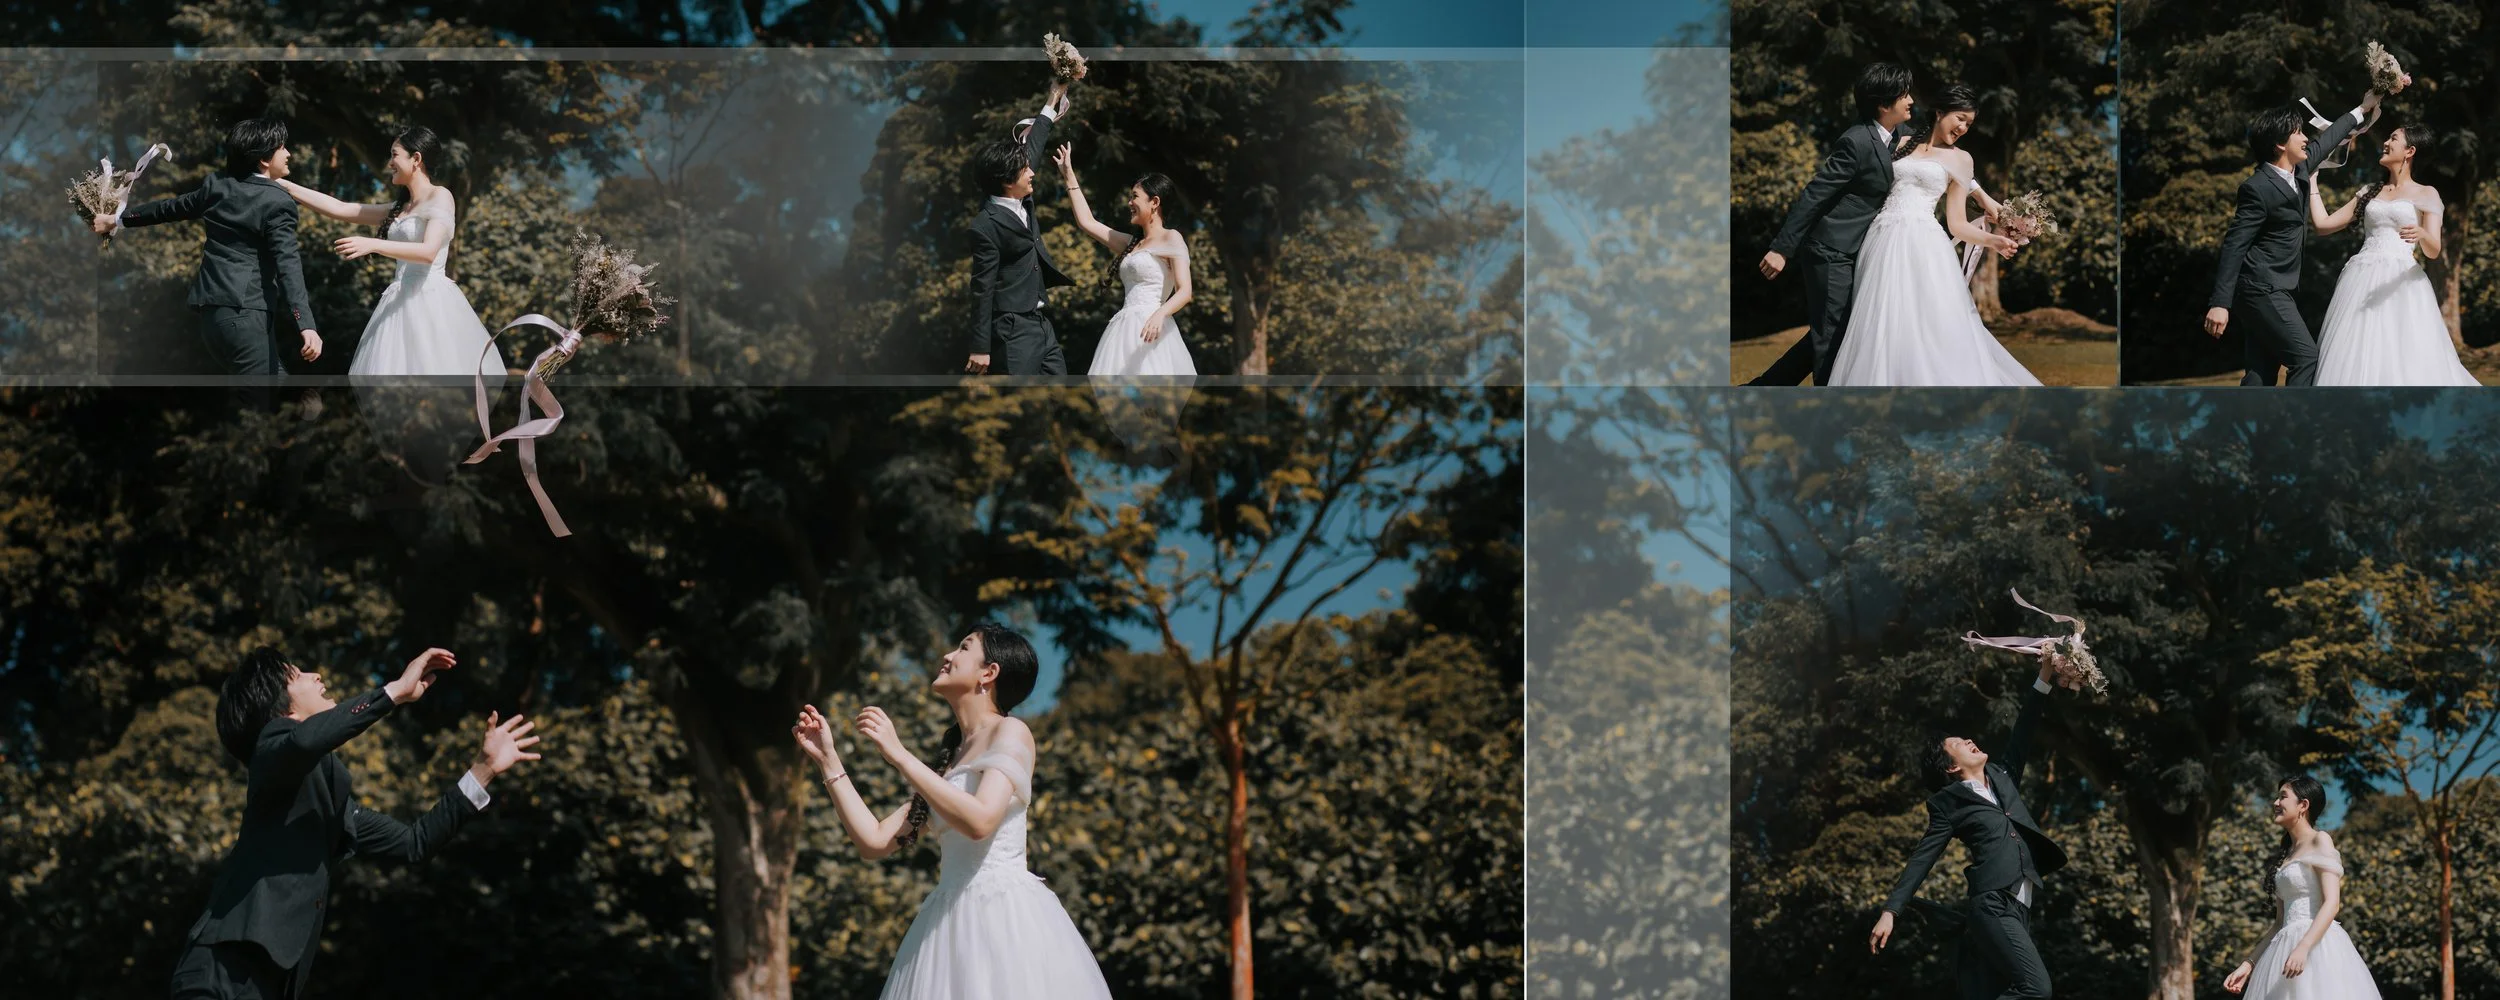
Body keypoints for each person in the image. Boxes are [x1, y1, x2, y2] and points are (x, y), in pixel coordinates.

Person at [169, 646, 542, 999]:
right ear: (281, 713)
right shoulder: (271, 752)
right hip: (221, 970)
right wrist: (395, 690)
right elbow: (303, 744)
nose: (316, 676)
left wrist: (484, 769)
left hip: (269, 986)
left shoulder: (331, 803)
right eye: (297, 675)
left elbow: (416, 843)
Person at [790, 623, 1112, 999]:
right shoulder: (949, 763)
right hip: (946, 924)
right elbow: (874, 842)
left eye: (963, 648)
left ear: (989, 673)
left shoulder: (1011, 731)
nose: (947, 656)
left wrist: (899, 755)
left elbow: (980, 820)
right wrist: (829, 762)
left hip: (1004, 921)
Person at [1870, 659, 2067, 1000]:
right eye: (1960, 743)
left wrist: (2045, 675)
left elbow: (2024, 728)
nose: (1971, 740)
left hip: (2020, 908)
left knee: (2001, 991)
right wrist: (1891, 911)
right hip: (1992, 905)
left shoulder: (2004, 778)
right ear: (1952, 765)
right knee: (2036, 990)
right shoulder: (1949, 805)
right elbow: (1922, 858)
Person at [1822, 84, 2037, 386]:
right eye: (1960, 118)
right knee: (1881, 320)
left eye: (1969, 124)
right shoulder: (1900, 142)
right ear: (1940, 112)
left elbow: (1958, 225)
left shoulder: (1961, 159)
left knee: (1928, 323)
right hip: (1880, 239)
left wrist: (1993, 241)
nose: (1963, 127)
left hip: (1924, 244)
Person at [92, 118, 322, 377]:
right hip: (245, 314)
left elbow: (169, 208)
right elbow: (288, 264)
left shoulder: (218, 187)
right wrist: (306, 324)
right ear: (265, 160)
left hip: (213, 322)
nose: (289, 153)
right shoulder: (278, 203)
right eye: (282, 147)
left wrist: (116, 220)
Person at [273, 125, 498, 378]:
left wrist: (373, 244)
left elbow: (428, 252)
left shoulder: (441, 196)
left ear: (416, 159)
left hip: (430, 304)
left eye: (394, 155)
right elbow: (341, 208)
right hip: (399, 304)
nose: (389, 162)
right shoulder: (399, 207)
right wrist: (280, 183)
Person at [1747, 63, 1915, 385]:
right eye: (1904, 94)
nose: (1911, 100)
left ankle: (1761, 388)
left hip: (1866, 250)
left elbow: (1943, 163)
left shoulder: (1906, 137)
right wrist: (1781, 248)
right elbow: (1815, 195)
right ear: (1883, 104)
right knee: (1832, 332)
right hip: (1830, 249)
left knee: (1836, 327)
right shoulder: (1855, 142)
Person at [2205, 90, 2383, 385]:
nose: (2305, 138)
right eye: (2298, 132)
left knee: (2260, 371)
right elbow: (2235, 245)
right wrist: (2219, 303)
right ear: (2279, 144)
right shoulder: (2257, 188)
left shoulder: (2300, 169)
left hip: (2275, 288)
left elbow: (2329, 139)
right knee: (2306, 359)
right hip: (2262, 289)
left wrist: (2363, 107)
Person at [2305, 124, 2479, 385]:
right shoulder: (2369, 192)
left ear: (2410, 151)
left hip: (2402, 282)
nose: (2386, 142)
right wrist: (2311, 181)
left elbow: (2433, 251)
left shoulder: (2427, 193)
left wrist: (2422, 233)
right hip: (2361, 279)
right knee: (2356, 349)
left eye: (2393, 138)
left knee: (2401, 350)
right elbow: (2323, 225)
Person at [2222, 776, 2384, 999]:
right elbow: (2279, 924)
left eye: (2283, 797)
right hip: (2282, 951)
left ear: (2303, 805)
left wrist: (2303, 947)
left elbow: (2332, 903)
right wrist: (2248, 965)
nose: (2275, 803)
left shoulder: (2321, 840)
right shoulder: (2284, 857)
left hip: (2318, 948)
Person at [1050, 142, 1198, 377]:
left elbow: (1185, 291)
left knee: (1150, 405)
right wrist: (1069, 176)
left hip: (1153, 328)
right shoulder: (1131, 244)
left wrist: (1160, 315)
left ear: (1155, 202)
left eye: (1135, 197)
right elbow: (1088, 223)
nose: (1129, 203)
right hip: (1123, 331)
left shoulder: (1172, 238)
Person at [965, 81, 1076, 376]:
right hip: (1012, 330)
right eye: (1025, 169)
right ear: (1005, 180)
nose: (1032, 172)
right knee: (1027, 411)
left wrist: (1054, 96)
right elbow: (982, 289)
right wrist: (980, 347)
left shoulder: (1022, 193)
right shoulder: (985, 226)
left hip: (1042, 324)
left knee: (1061, 404)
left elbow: (1036, 142)